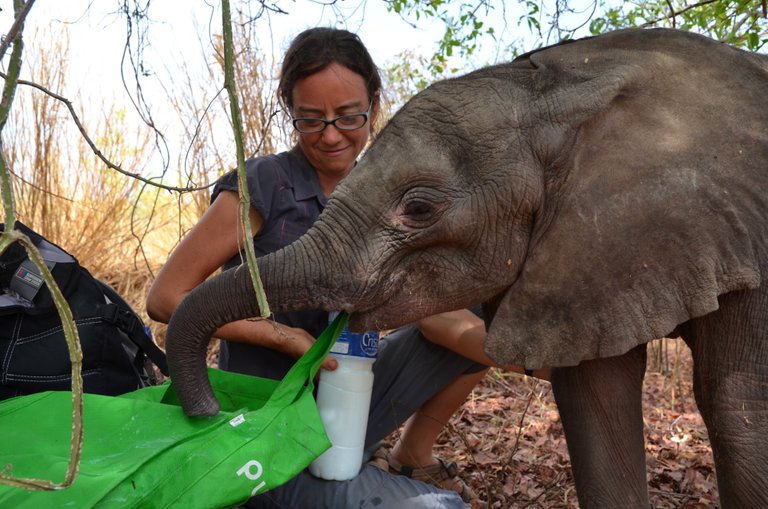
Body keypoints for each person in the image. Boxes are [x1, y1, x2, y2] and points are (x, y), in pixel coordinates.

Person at [147, 27, 490, 508]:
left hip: (349, 399)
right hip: (268, 421)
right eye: (311, 120)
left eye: (349, 116)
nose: (331, 135)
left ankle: (411, 452)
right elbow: (166, 299)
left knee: (488, 306)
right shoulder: (264, 185)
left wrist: (524, 354)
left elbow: (434, 316)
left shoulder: (390, 194)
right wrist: (283, 337)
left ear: (374, 101)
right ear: (291, 112)